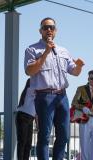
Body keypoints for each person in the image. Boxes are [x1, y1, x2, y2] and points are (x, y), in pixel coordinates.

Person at [24, 17, 84, 160]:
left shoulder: (63, 50)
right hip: (44, 97)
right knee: (44, 136)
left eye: (51, 27)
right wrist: (45, 52)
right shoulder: (32, 49)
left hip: (62, 97)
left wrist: (80, 66)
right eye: (45, 27)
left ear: (55, 31)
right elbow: (29, 71)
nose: (49, 30)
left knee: (64, 135)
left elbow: (74, 72)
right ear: (40, 31)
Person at [16, 78, 36, 160]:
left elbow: (36, 111)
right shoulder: (30, 90)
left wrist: (37, 124)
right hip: (23, 117)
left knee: (28, 144)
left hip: (30, 118)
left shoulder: (32, 91)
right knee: (22, 142)